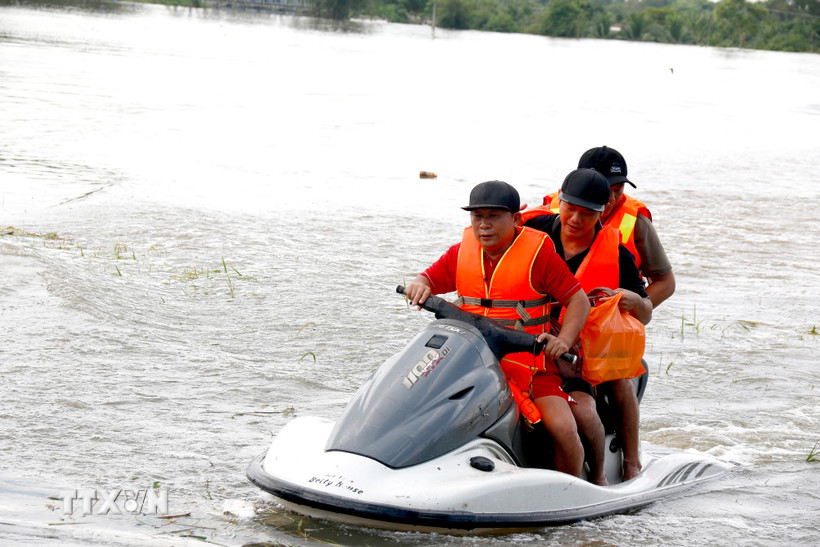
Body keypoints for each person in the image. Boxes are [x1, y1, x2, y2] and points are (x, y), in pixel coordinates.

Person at [404, 180, 591, 477]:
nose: (484, 225)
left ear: (516, 219)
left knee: (564, 428)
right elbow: (426, 279)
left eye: (493, 216)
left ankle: (571, 490)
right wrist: (419, 285)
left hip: (529, 368)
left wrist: (564, 340)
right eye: (477, 217)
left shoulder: (539, 255)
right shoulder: (460, 253)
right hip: (469, 364)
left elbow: (579, 301)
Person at [524, 168, 652, 484]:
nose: (576, 219)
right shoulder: (530, 232)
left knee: (593, 404)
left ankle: (621, 467)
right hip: (531, 347)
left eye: (587, 213)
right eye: (570, 209)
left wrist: (632, 300)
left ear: (602, 212)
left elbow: (646, 312)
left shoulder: (617, 254)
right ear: (559, 201)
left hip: (584, 358)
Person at [541, 146, 675, 309]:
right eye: (604, 189)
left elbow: (665, 282)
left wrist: (634, 308)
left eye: (617, 190)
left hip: (601, 318)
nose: (610, 198)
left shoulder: (637, 223)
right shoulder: (544, 216)